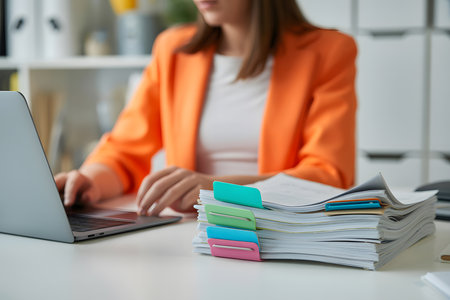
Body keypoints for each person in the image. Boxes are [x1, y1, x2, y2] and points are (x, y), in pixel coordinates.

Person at [55, 0, 357, 216]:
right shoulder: (172, 50)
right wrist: (89, 180)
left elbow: (327, 175)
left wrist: (216, 188)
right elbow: (124, 151)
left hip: (279, 233)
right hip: (192, 236)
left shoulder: (328, 52)